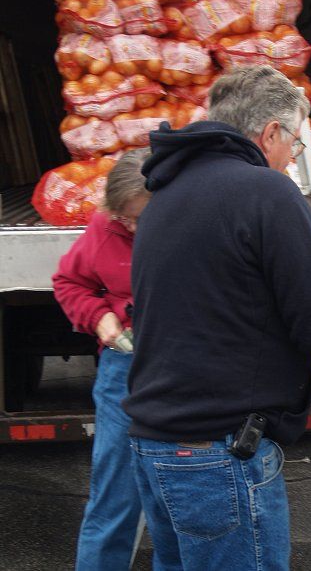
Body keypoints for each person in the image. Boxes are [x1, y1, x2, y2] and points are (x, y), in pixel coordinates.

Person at [122, 66, 311, 571]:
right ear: (271, 133)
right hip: (219, 454)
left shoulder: (164, 196)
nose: (290, 160)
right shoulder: (265, 192)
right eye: (295, 145)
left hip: (157, 448)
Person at [52, 148, 151, 571]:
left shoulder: (192, 223)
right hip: (124, 365)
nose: (131, 228)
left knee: (185, 500)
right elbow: (68, 281)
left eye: (139, 218)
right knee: (115, 495)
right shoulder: (106, 226)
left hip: (186, 365)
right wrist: (99, 316)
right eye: (124, 219)